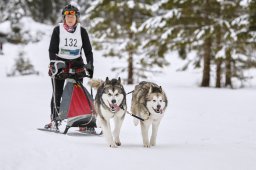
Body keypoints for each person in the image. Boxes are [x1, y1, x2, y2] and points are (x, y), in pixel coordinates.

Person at [45, 4, 94, 129]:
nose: (70, 19)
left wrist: (90, 64)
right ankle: (55, 120)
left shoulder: (82, 31)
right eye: (68, 16)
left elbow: (88, 51)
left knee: (77, 93)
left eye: (73, 16)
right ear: (64, 18)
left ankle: (82, 122)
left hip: (76, 63)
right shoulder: (58, 30)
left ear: (76, 17)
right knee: (58, 93)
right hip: (60, 63)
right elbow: (52, 50)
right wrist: (54, 63)